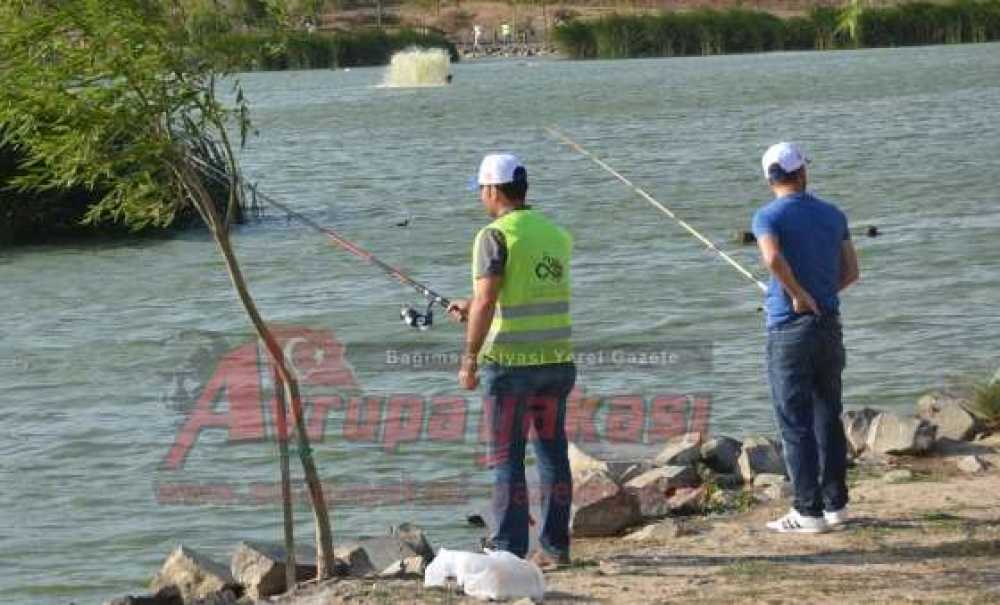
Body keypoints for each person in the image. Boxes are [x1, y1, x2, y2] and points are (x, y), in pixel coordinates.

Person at [448, 153, 576, 568]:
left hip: (510, 364)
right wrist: (472, 305)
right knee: (553, 454)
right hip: (557, 359)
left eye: (482, 191)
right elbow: (521, 291)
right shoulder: (555, 234)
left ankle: (508, 549)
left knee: (507, 459)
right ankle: (556, 548)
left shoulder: (493, 235)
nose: (481, 199)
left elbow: (488, 299)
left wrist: (468, 360)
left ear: (492, 190)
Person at [751, 142, 860, 534]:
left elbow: (771, 258)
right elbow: (851, 272)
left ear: (770, 179)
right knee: (827, 416)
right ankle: (836, 507)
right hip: (828, 322)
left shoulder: (766, 215)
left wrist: (797, 295)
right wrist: (818, 295)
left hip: (789, 331)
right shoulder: (833, 214)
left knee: (794, 421)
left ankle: (807, 511)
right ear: (802, 173)